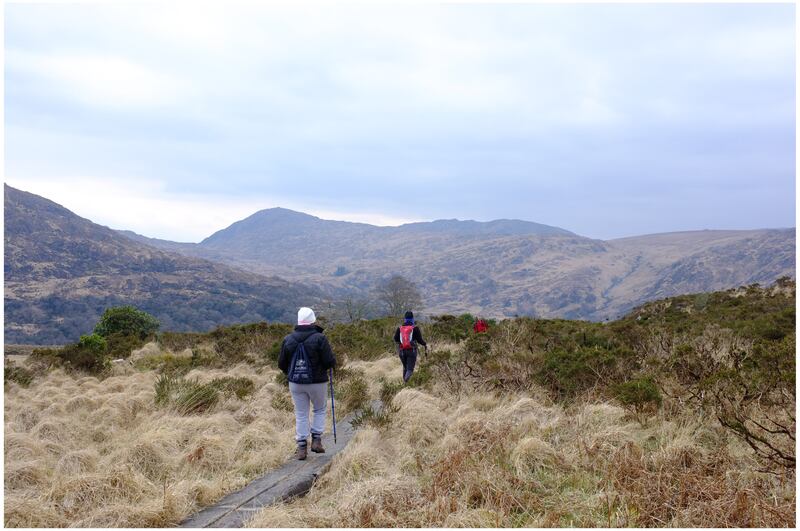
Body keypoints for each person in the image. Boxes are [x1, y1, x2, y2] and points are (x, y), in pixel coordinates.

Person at [278, 307, 336, 460]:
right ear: (313, 320)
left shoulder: (288, 339)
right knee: (319, 409)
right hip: (317, 382)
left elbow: (281, 363)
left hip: (296, 383)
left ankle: (302, 447)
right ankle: (316, 440)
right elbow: (329, 361)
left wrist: (291, 374)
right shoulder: (319, 338)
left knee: (301, 413)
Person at [393, 310, 427, 383]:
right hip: (412, 351)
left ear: (405, 318)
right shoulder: (415, 328)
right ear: (412, 318)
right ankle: (406, 384)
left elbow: (395, 339)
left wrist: (402, 343)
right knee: (410, 369)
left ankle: (404, 385)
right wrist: (425, 344)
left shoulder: (400, 328)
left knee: (405, 368)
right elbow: (420, 340)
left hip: (401, 351)